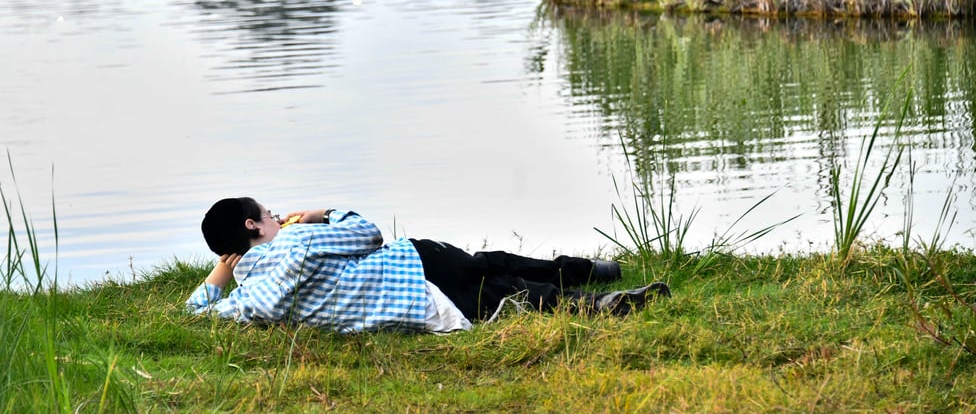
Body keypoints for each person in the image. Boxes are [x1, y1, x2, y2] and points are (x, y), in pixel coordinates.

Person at [185, 198, 670, 334]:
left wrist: (220, 276)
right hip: (417, 266)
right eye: (268, 215)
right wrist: (323, 213)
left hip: (416, 293)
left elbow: (192, 316)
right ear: (253, 226)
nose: (277, 217)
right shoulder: (296, 241)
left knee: (505, 288)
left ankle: (604, 300)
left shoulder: (250, 300)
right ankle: (594, 275)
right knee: (494, 269)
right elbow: (368, 233)